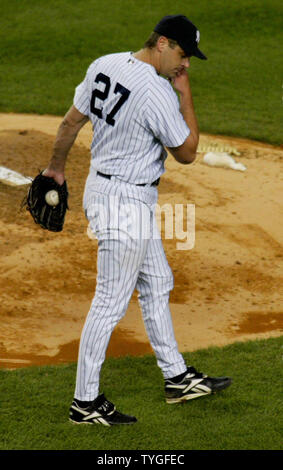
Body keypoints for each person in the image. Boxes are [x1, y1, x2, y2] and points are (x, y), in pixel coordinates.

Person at [43, 14, 232, 426]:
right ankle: (85, 403)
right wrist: (184, 93)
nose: (184, 65)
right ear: (162, 43)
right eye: (182, 55)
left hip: (107, 191)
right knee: (110, 302)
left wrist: (56, 167)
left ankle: (177, 377)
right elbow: (186, 152)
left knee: (158, 282)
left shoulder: (104, 63)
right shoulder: (157, 92)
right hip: (125, 202)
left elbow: (71, 121)